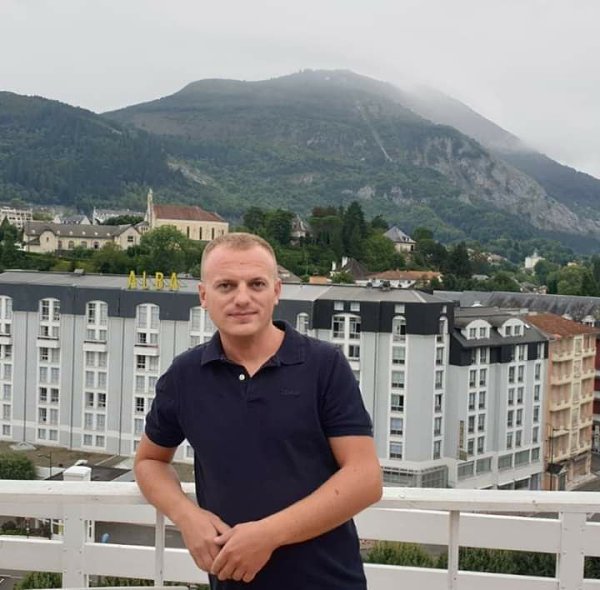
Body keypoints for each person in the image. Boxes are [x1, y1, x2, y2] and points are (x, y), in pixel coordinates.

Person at [134, 232, 382, 589]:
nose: (242, 298)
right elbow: (149, 461)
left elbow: (365, 478)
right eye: (225, 286)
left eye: (256, 284)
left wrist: (268, 535)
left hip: (329, 582)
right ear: (203, 295)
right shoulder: (185, 376)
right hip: (233, 581)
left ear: (276, 291)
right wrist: (186, 515)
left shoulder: (324, 365)